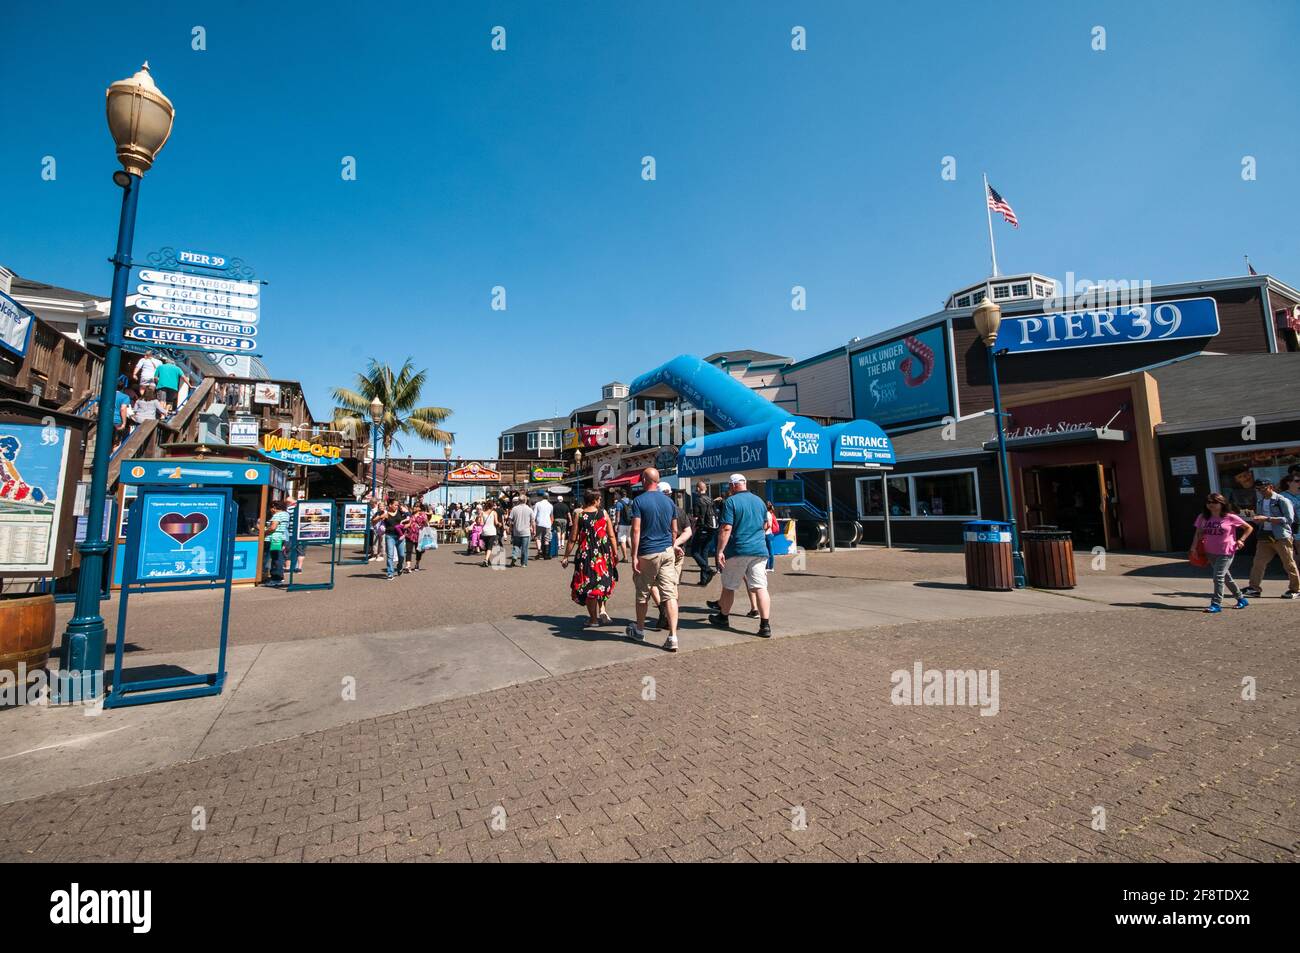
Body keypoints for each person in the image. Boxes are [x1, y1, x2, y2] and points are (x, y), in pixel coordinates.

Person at [708, 474, 773, 637]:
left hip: (738, 550)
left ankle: (723, 617)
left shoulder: (731, 502)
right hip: (759, 550)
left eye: (729, 486)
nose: (729, 489)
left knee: (729, 586)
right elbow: (766, 524)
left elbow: (726, 528)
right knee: (760, 587)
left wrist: (720, 551)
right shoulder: (759, 501)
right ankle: (765, 625)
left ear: (734, 485)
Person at [625, 468, 681, 651]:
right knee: (669, 594)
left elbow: (636, 530)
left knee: (643, 593)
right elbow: (674, 529)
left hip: (648, 552)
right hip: (666, 551)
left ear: (643, 480)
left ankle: (640, 630)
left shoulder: (639, 501)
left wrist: (633, 556)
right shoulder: (668, 501)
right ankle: (673, 636)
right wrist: (672, 546)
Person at [561, 489, 618, 627]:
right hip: (603, 553)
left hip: (585, 554)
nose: (600, 501)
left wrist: (566, 556)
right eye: (599, 499)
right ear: (595, 499)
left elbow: (572, 538)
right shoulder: (603, 513)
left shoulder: (580, 515)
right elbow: (611, 535)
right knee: (602, 581)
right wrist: (615, 553)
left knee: (588, 585)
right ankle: (602, 609)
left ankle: (593, 619)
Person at [1191, 493, 1252, 613]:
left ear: (1222, 503)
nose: (1211, 505)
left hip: (1226, 551)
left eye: (1214, 502)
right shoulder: (1203, 517)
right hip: (1209, 551)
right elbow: (1198, 533)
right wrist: (1193, 548)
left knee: (1218, 577)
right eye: (1208, 502)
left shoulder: (1230, 517)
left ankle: (1216, 603)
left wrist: (1241, 540)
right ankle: (1241, 599)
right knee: (1226, 577)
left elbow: (1248, 528)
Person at [647, 483, 693, 631]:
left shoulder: (654, 510)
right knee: (672, 585)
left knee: (652, 583)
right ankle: (670, 616)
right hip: (677, 552)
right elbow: (688, 532)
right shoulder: (678, 510)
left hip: (658, 550)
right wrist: (677, 543)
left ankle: (663, 610)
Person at [1244, 478, 1299, 599]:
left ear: (1271, 487)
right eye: (1258, 489)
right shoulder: (1260, 501)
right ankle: (1254, 588)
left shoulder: (1282, 500)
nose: (1261, 491)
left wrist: (1267, 519)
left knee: (1288, 563)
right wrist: (1257, 519)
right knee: (1258, 562)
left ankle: (1295, 589)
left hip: (1281, 536)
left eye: (1263, 488)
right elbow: (1261, 519)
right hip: (1265, 536)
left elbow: (1289, 520)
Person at [689, 480, 718, 585]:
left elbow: (696, 517)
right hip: (712, 529)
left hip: (702, 529)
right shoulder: (711, 500)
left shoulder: (698, 500)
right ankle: (704, 580)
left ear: (697, 489)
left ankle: (708, 570)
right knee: (704, 552)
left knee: (694, 552)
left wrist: (692, 523)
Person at [263, 499, 290, 586]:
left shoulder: (277, 515)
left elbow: (273, 528)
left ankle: (275, 578)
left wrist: (264, 533)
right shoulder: (286, 514)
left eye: (271, 508)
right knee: (279, 558)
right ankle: (279, 577)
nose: (270, 510)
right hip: (281, 538)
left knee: (274, 558)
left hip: (274, 539)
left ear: (274, 507)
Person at [508, 496, 535, 567]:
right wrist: (534, 530)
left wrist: (510, 528)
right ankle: (523, 563)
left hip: (516, 531)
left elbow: (510, 521)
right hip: (526, 532)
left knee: (516, 545)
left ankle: (514, 556)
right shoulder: (529, 509)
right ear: (526, 501)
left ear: (519, 501)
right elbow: (533, 521)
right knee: (525, 548)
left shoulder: (514, 509)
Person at [382, 498, 405, 580]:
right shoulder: (385, 514)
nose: (397, 506)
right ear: (390, 505)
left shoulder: (401, 512)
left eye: (397, 505)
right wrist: (380, 518)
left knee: (401, 555)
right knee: (390, 555)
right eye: (395, 505)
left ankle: (399, 567)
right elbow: (374, 521)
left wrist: (404, 527)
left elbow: (408, 521)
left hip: (400, 536)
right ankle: (390, 573)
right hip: (390, 536)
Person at [404, 503, 430, 572]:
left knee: (418, 551)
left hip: (419, 535)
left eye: (416, 506)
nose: (414, 507)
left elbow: (427, 524)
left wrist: (425, 522)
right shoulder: (410, 514)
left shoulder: (423, 515)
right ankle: (408, 566)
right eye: (414, 506)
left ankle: (417, 564)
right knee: (408, 551)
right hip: (409, 534)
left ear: (419, 508)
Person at [533, 493, 554, 560]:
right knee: (546, 538)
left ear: (542, 497)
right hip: (547, 523)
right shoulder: (550, 505)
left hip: (539, 523)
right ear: (548, 497)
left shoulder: (538, 504)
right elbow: (551, 516)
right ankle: (546, 555)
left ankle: (540, 551)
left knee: (538, 538)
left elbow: (534, 515)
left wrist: (532, 524)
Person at [614, 490, 633, 561]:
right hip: (630, 523)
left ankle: (625, 557)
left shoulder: (619, 503)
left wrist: (616, 524)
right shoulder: (631, 501)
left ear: (620, 495)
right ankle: (633, 555)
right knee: (629, 538)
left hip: (622, 524)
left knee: (622, 540)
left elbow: (618, 516)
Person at [479, 501, 500, 566]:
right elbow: (496, 522)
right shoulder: (494, 513)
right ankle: (485, 560)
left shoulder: (482, 513)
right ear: (492, 506)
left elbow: (481, 523)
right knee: (490, 547)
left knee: (486, 546)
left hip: (484, 531)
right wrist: (500, 524)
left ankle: (488, 560)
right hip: (492, 531)